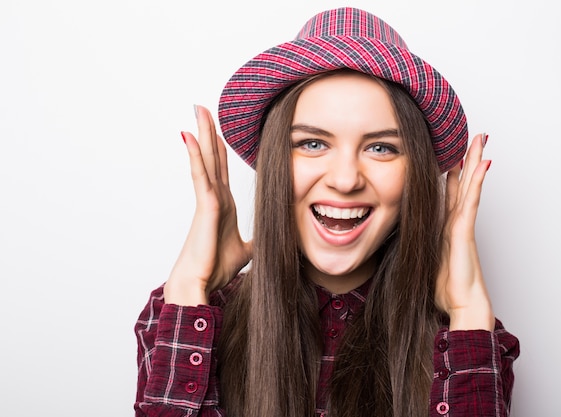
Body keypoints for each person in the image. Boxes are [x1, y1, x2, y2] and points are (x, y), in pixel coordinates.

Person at [134, 7, 520, 417]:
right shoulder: (181, 321)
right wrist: (191, 287)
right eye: (313, 143)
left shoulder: (468, 340)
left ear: (415, 177)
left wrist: (467, 314)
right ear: (275, 164)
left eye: (381, 147)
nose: (345, 179)